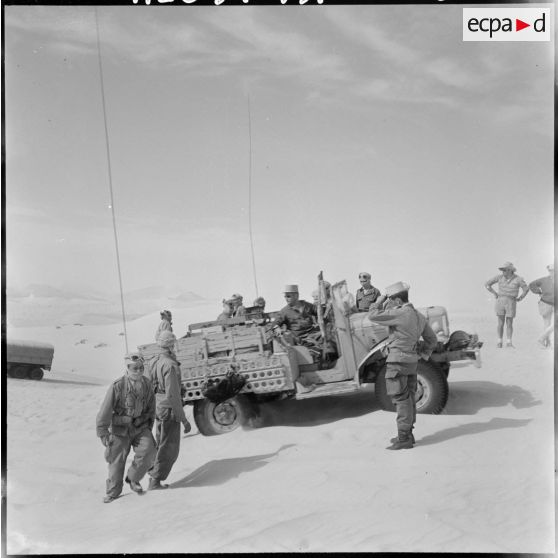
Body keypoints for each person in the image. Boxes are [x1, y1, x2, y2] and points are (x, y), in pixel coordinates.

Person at [367, 282, 437, 450]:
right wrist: (423, 354)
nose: (388, 303)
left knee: (401, 399)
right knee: (409, 398)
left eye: (390, 300)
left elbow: (373, 315)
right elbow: (432, 340)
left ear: (398, 300)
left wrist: (379, 300)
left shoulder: (399, 313)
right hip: (411, 362)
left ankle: (404, 438)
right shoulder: (419, 316)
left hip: (397, 362)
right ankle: (408, 434)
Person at [96, 353, 157, 503]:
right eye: (135, 368)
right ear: (128, 368)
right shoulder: (118, 386)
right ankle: (113, 492)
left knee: (149, 450)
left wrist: (148, 425)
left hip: (140, 427)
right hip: (120, 429)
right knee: (116, 461)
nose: (138, 371)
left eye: (141, 368)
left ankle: (133, 478)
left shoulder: (147, 384)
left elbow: (151, 408)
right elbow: (105, 410)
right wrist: (103, 432)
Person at [147, 331, 191, 490]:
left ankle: (153, 476)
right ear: (171, 345)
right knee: (168, 448)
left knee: (160, 444)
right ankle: (155, 481)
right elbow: (173, 395)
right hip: (169, 409)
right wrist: (183, 419)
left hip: (159, 407)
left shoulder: (155, 361)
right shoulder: (170, 365)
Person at [485, 262, 529, 348]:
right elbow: (487, 284)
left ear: (510, 270)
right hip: (500, 301)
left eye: (504, 270)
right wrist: (494, 293)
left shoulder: (518, 279)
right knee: (500, 323)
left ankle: (509, 342)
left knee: (509, 323)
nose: (503, 272)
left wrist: (521, 298)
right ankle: (499, 342)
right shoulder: (499, 277)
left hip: (511, 302)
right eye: (502, 270)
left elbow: (526, 289)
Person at [529, 264, 554, 348]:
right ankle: (547, 343)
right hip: (545, 303)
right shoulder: (544, 280)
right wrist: (538, 292)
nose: (553, 272)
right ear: (549, 271)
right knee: (547, 323)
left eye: (554, 270)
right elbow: (532, 285)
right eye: (551, 271)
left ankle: (541, 339)